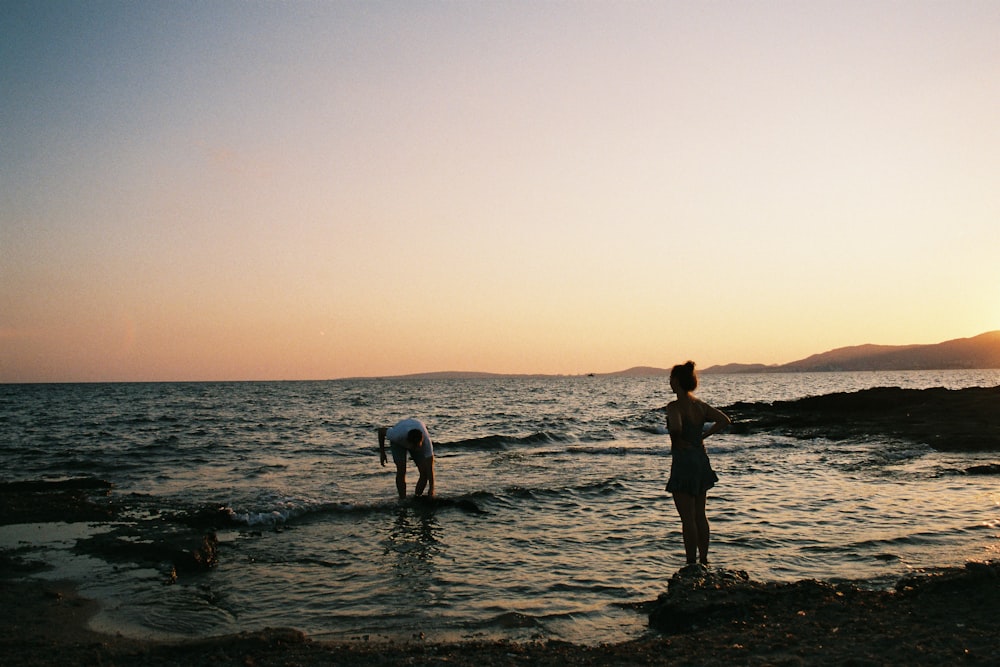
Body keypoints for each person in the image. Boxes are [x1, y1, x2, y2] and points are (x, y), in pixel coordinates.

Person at [663, 361, 730, 566]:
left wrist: (676, 440)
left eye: (671, 378)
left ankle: (691, 562)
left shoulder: (674, 406)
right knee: (700, 515)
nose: (669, 382)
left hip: (684, 462)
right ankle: (704, 559)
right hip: (701, 459)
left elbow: (676, 427)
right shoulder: (700, 406)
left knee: (687, 518)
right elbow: (724, 420)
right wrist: (704, 435)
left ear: (677, 382)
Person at [378, 418, 435, 499]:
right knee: (401, 470)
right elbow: (381, 431)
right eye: (414, 447)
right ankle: (402, 499)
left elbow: (430, 467)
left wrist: (431, 488)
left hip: (416, 429)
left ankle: (417, 497)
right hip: (399, 442)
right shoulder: (396, 435)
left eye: (418, 447)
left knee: (424, 472)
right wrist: (382, 452)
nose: (416, 449)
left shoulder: (426, 443)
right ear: (408, 442)